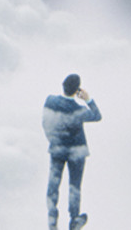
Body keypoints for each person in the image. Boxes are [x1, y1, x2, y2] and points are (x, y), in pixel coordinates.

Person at [44, 73, 102, 230]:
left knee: (54, 183)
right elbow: (97, 116)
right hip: (76, 151)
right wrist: (88, 99)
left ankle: (52, 218)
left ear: (62, 85)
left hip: (57, 148)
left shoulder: (50, 101)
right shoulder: (79, 110)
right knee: (74, 185)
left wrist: (53, 140)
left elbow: (46, 123)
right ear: (77, 90)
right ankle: (74, 218)